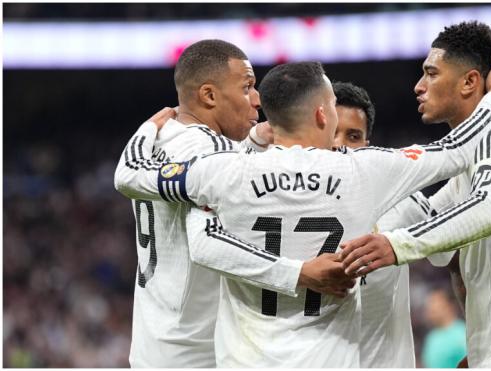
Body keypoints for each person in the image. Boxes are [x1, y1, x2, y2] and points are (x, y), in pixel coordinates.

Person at [114, 52, 491, 366]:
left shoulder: (224, 170)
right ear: (324, 114)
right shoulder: (365, 170)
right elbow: (455, 150)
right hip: (330, 359)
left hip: (243, 360)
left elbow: (134, 177)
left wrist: (149, 129)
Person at [340, 21, 491, 367]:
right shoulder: (472, 158)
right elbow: (433, 226)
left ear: (470, 82)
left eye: (431, 74)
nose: (418, 86)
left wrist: (397, 244)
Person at [121, 39, 352, 368]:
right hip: (199, 352)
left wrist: (254, 143)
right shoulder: (210, 150)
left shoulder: (163, 137)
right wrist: (298, 273)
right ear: (209, 95)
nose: (257, 100)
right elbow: (208, 241)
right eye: (247, 87)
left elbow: (208, 179)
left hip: (153, 345)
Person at [332, 81, 435, 368]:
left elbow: (455, 261)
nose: (340, 145)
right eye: (332, 132)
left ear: (367, 145)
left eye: (353, 136)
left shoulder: (402, 202)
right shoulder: (287, 201)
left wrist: (476, 339)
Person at [421, 288, 467, 368]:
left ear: (449, 306)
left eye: (436, 304)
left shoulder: (463, 333)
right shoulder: (431, 338)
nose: (431, 309)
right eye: (430, 305)